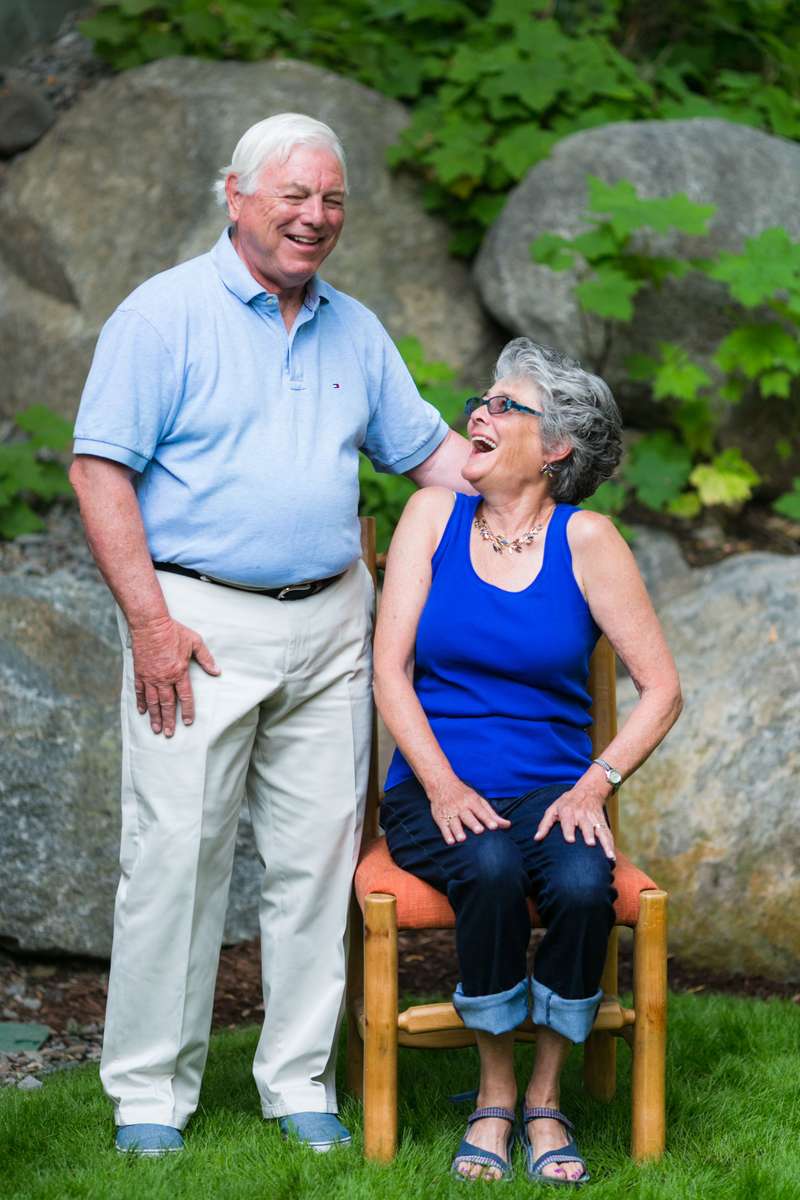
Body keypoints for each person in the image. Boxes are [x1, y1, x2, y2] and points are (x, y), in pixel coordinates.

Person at [69, 112, 473, 1157]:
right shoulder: (162, 317)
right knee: (174, 862)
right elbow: (98, 469)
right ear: (235, 194)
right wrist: (149, 624)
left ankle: (298, 1082)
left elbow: (426, 455)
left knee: (316, 865)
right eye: (294, 195)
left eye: (331, 199)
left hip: (334, 621)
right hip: (195, 624)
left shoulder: (353, 327)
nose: (315, 217)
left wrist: (539, 497)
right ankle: (149, 1097)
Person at [373, 338, 682, 1184]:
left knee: (585, 886)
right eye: (484, 398)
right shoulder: (431, 517)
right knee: (494, 863)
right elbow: (388, 671)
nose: (479, 410)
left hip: (555, 791)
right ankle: (494, 1095)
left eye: (505, 405)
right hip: (433, 788)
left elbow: (661, 688)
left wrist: (597, 783)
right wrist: (438, 783)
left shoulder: (589, 542)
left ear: (556, 447)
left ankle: (546, 1098)